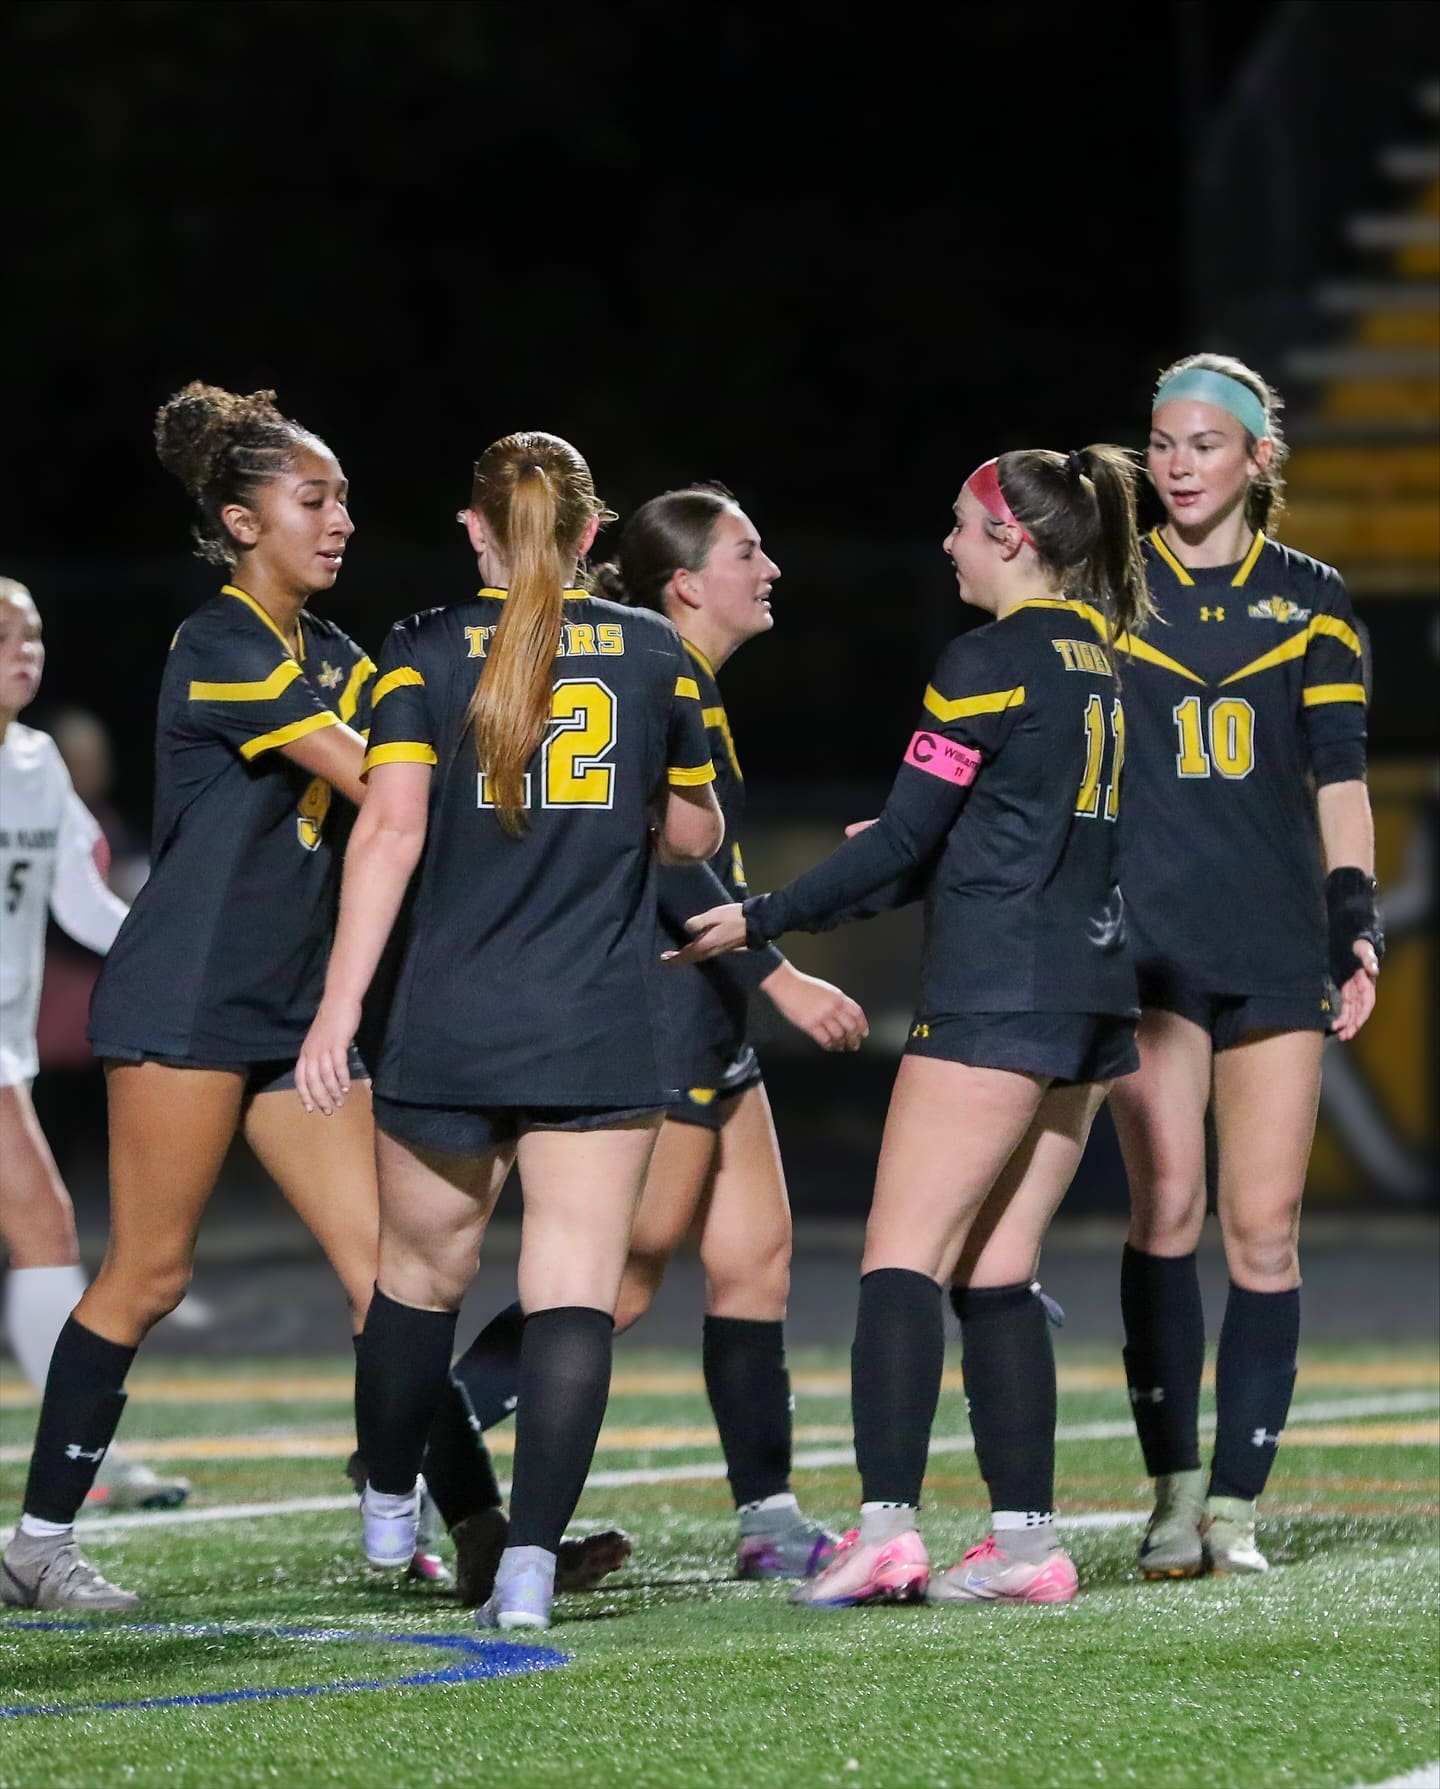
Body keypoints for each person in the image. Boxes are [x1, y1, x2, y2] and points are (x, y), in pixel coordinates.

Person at [675, 445, 1152, 1607]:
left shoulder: (986, 659)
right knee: (999, 1271)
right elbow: (964, 844)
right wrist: (884, 866)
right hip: (1091, 998)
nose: (945, 544)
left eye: (958, 524)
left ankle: (886, 1525)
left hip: (996, 997)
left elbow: (903, 841)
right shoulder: (1110, 662)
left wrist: (763, 916)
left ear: (1012, 538)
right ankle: (1028, 1545)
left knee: (898, 1260)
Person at [296, 430, 724, 1633]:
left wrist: (338, 1009)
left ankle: (392, 1502)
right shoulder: (656, 654)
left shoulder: (423, 645)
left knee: (414, 1282)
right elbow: (693, 836)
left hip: (451, 1018)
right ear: (595, 537)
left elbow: (386, 834)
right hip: (593, 1019)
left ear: (475, 529)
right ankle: (529, 1565)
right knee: (574, 1292)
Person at [0, 384, 407, 1613]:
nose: (339, 520)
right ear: (241, 520)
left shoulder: (338, 653)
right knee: (148, 1274)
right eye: (312, 498)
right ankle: (36, 1543)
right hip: (184, 1001)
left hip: (293, 1015)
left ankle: (443, 1515)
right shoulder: (220, 644)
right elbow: (378, 774)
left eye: (342, 499)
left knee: (389, 1273)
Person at [448, 485, 867, 1585]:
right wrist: (780, 977)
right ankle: (422, 1432)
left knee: (755, 1263)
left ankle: (769, 1516)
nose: (769, 566)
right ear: (686, 582)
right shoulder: (648, 667)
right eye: (747, 548)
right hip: (661, 1005)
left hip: (706, 1005)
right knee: (620, 1282)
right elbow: (662, 862)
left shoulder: (686, 674)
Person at [1110, 353, 1381, 1577]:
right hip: (1149, 950)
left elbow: (1340, 781)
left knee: (1260, 1229)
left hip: (1271, 947)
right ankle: (1172, 1494)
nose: (1176, 464)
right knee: (1165, 1214)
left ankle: (1236, 1506)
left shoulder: (1315, 601)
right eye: (1163, 443)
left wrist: (1354, 920)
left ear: (1258, 459)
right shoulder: (1112, 588)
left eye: (1203, 444)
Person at [0, 580, 190, 1515]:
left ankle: (78, 1455)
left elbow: (82, 906)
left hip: (6, 1049)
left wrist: (182, 954)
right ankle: (78, 1457)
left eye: (33, 633)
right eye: (4, 634)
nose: (24, 649)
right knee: (44, 1226)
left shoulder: (36, 761)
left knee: (43, 1231)